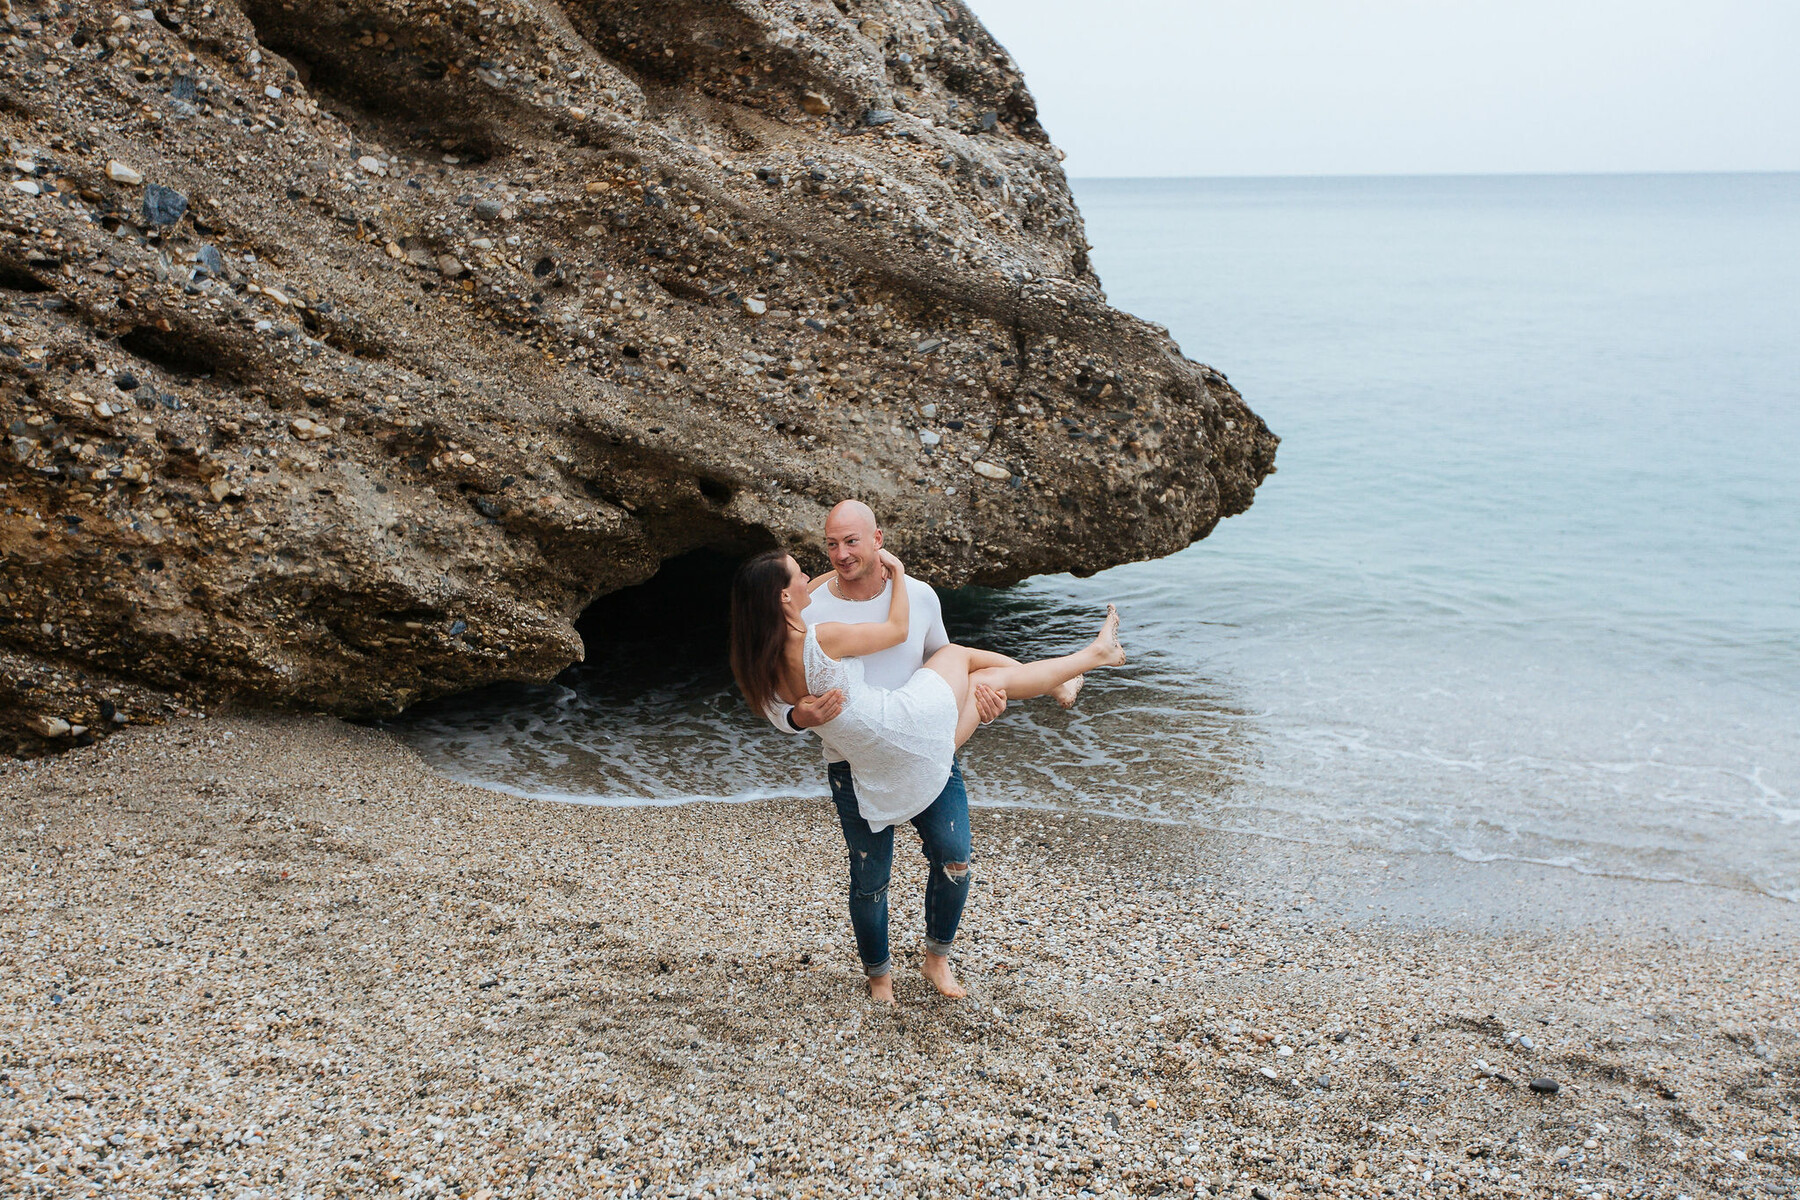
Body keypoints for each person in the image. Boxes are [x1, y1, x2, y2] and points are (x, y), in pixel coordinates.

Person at [729, 503, 1125, 1003]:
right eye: (830, 545)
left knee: (954, 856)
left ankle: (935, 961)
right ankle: (880, 979)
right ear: (788, 593)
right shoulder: (817, 616)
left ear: (877, 538)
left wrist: (983, 696)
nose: (837, 556)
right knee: (870, 876)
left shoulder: (916, 596)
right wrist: (797, 717)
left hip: (903, 722)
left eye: (851, 542)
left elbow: (938, 655)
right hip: (859, 757)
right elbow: (774, 703)